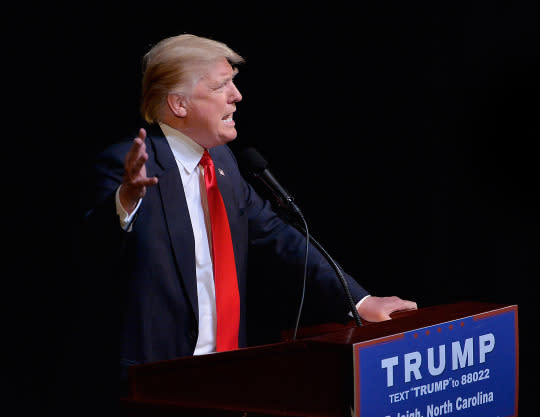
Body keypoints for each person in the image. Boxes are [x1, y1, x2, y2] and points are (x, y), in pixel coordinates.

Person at [79, 34, 417, 400]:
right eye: (221, 85)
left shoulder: (223, 164)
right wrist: (126, 198)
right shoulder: (129, 164)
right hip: (155, 385)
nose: (236, 96)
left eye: (233, 83)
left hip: (227, 376)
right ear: (179, 104)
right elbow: (88, 254)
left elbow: (280, 237)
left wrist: (360, 301)